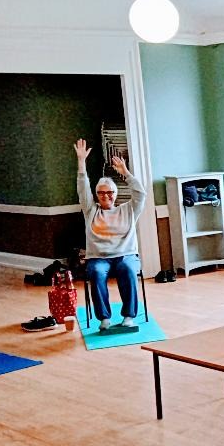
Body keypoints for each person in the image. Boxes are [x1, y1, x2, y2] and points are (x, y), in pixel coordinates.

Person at [75, 139, 147, 329]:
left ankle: (129, 316)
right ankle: (104, 318)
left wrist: (126, 174)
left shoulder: (128, 210)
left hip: (126, 255)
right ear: (96, 195)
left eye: (109, 192)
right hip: (99, 258)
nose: (106, 196)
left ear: (115, 194)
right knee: (97, 272)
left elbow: (141, 194)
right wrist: (81, 162)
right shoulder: (91, 211)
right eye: (101, 193)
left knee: (128, 269)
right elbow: (82, 188)